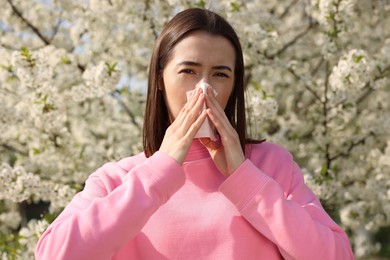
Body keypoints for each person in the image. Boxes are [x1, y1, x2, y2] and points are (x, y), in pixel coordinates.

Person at [35, 8, 354, 260]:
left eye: (220, 74)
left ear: (235, 85)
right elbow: (54, 254)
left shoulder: (271, 165)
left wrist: (246, 178)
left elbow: (336, 255)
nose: (205, 88)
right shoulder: (117, 179)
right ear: (159, 79)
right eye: (189, 71)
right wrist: (159, 172)